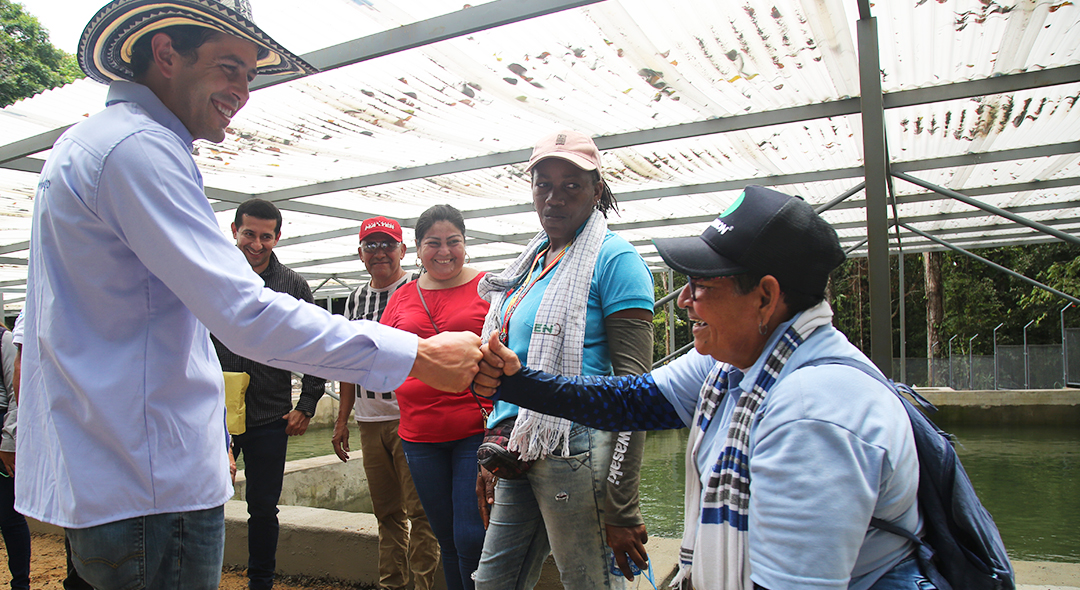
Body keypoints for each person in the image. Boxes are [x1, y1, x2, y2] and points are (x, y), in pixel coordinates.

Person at [16, 2, 482, 589]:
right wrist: (418, 356)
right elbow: (245, 312)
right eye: (229, 66)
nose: (242, 89)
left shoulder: (88, 145)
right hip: (151, 483)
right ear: (165, 53)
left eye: (249, 74)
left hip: (118, 473)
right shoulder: (138, 150)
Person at [474, 185, 935, 590]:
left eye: (701, 283)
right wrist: (517, 381)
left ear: (766, 297)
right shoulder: (737, 364)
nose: (683, 299)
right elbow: (632, 401)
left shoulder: (815, 417)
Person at [472, 129, 655, 590]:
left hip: (576, 448)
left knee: (590, 584)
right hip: (523, 445)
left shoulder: (615, 261)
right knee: (493, 582)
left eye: (572, 184)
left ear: (597, 190)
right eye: (544, 183)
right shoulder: (530, 264)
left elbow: (635, 395)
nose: (555, 197)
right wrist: (494, 445)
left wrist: (621, 506)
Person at [210, 198, 328, 590]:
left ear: (277, 236)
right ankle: (202, 575)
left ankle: (260, 582)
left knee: (263, 508)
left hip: (268, 417)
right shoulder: (211, 277)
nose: (256, 244)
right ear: (234, 231)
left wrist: (307, 405)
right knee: (204, 502)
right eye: (249, 234)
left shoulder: (292, 284)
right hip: (214, 418)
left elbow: (315, 344)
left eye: (265, 236)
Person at [378, 205, 492, 590]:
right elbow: (383, 352)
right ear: (417, 248)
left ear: (465, 244)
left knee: (471, 537)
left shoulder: (490, 289)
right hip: (418, 434)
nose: (444, 251)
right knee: (445, 537)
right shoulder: (402, 297)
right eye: (433, 244)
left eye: (453, 242)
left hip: (473, 430)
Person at [333, 216, 439, 590]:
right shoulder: (356, 298)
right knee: (387, 513)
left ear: (402, 251)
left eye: (387, 245)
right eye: (372, 245)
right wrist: (342, 417)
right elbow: (347, 362)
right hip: (369, 418)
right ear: (361, 253)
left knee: (421, 512)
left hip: (411, 417)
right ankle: (392, 584)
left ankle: (423, 585)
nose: (380, 252)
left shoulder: (418, 289)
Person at [0, 321, 30, 590]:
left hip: (2, 433)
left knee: (9, 516)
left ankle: (20, 582)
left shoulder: (5, 340)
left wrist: (9, 440)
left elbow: (15, 392)